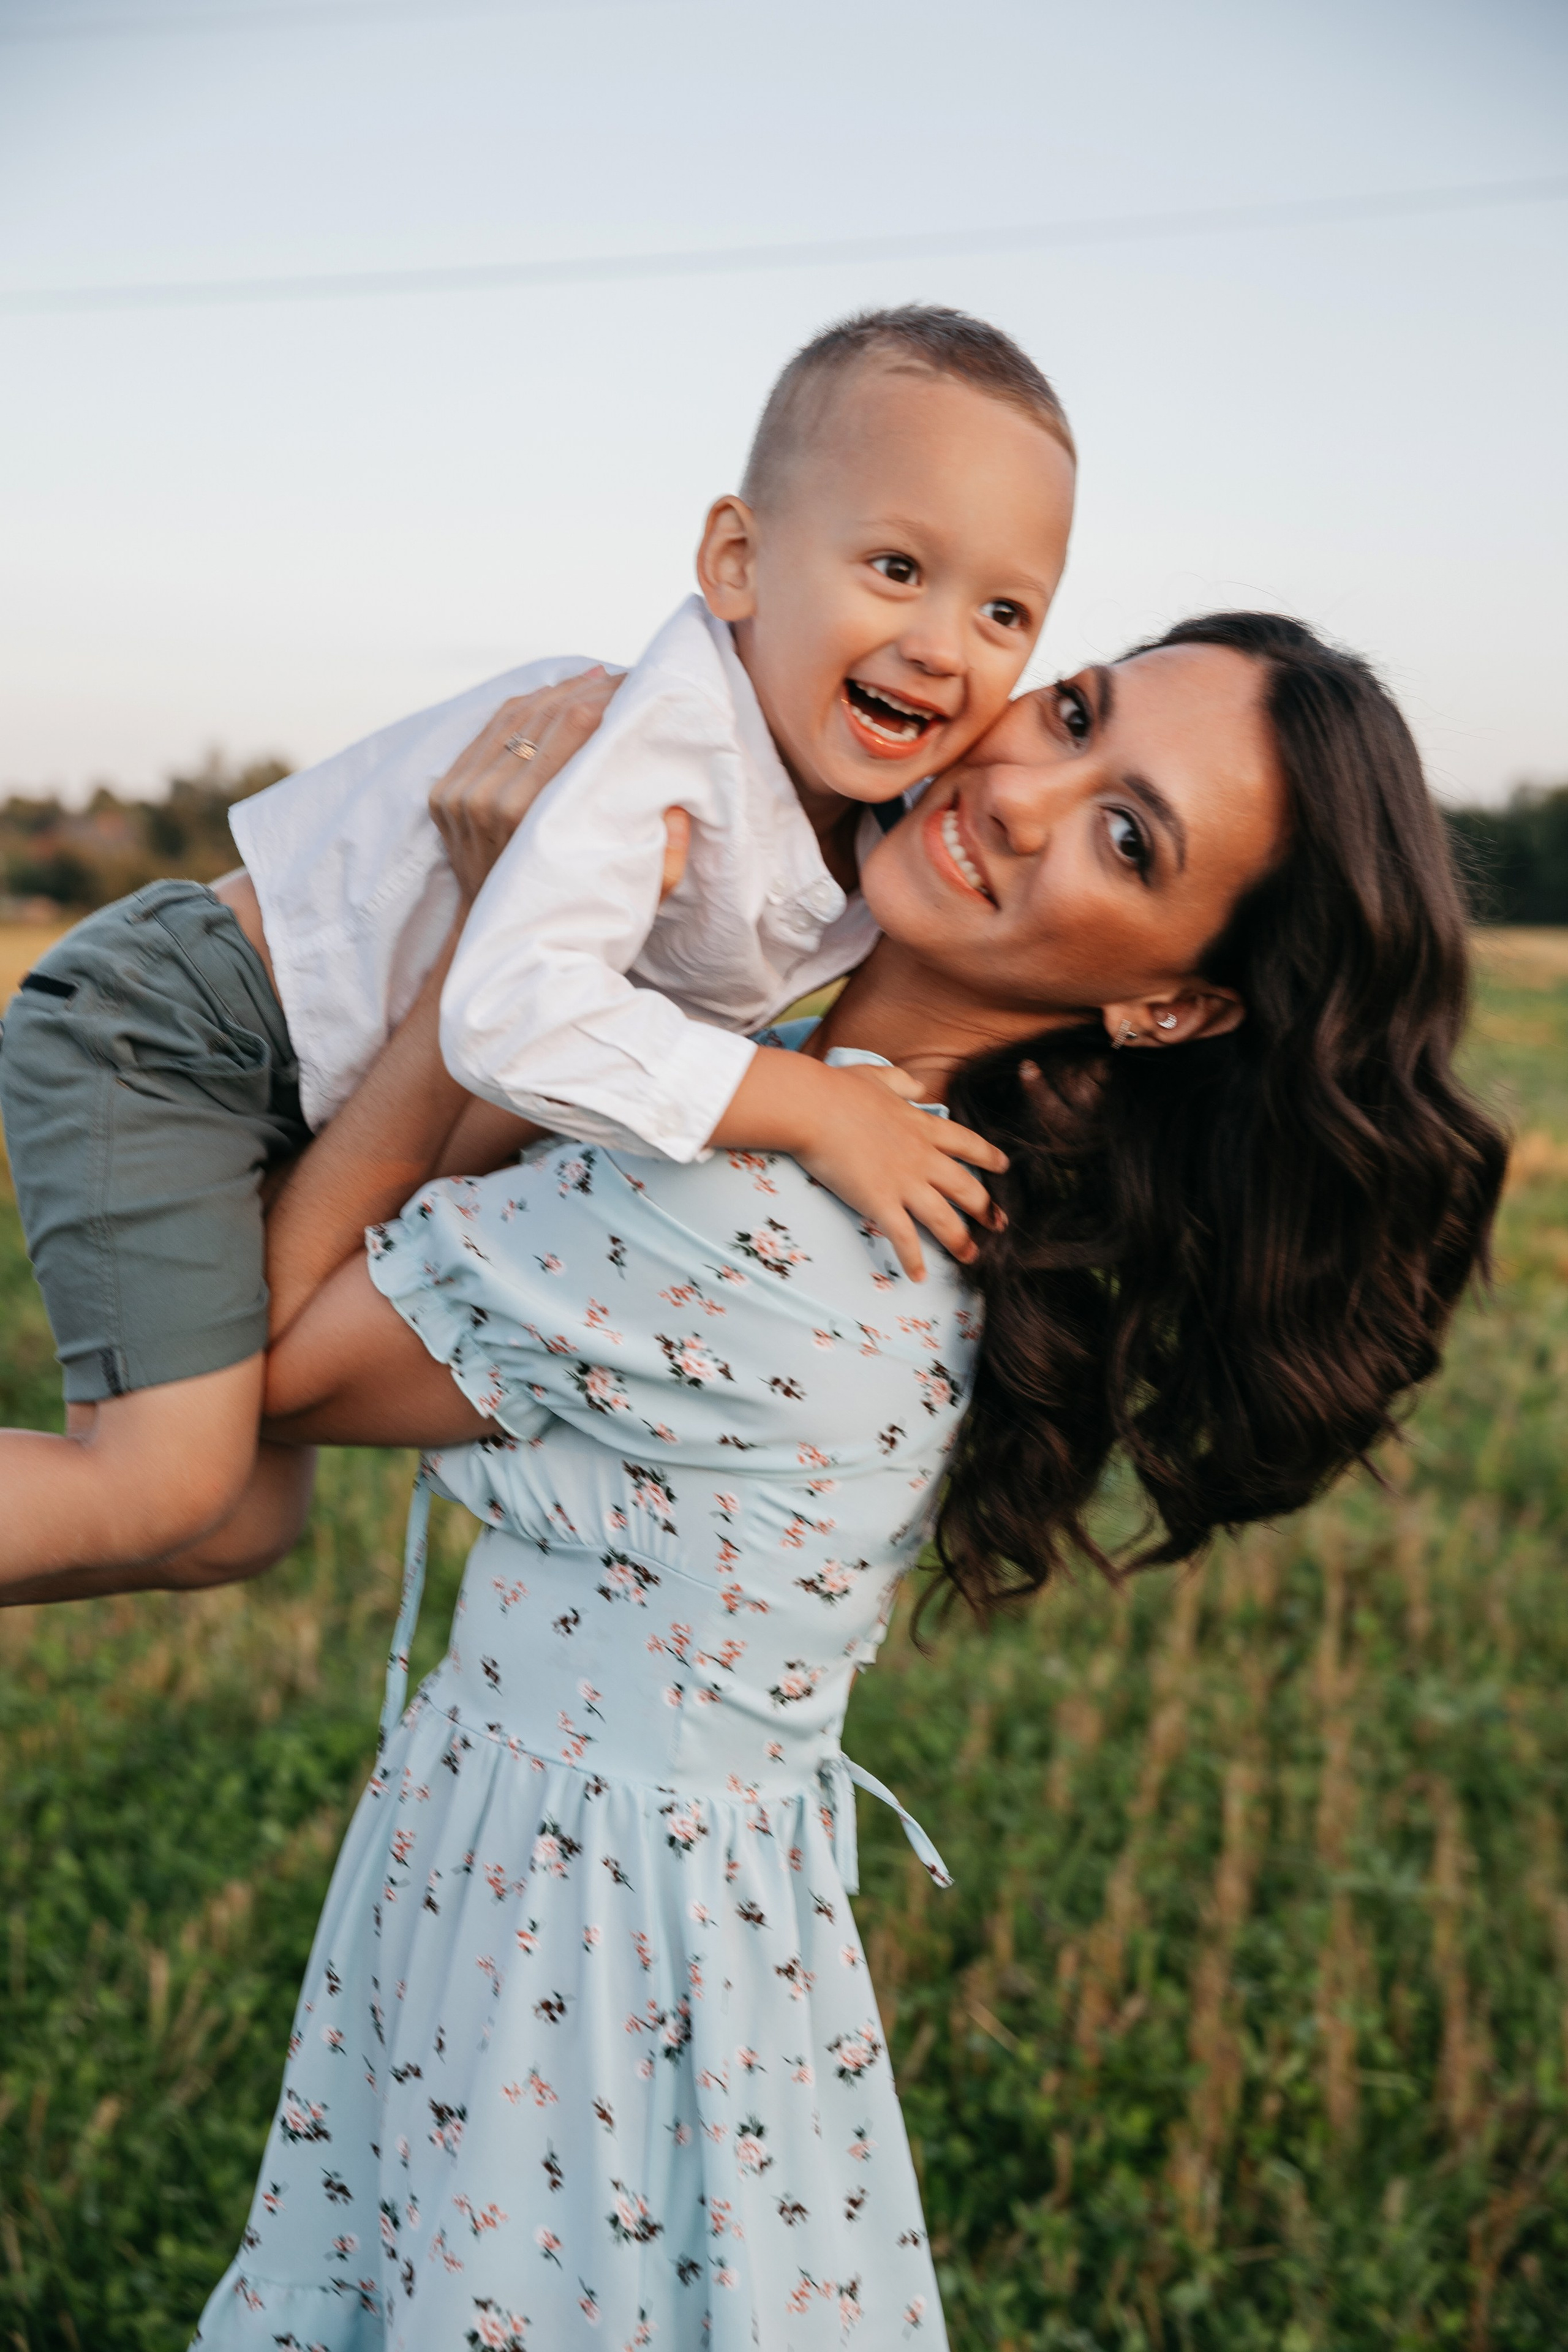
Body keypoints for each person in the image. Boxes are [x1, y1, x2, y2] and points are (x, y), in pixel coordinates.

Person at [182, 613, 1504, 2346]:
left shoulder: (757, 1212)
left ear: (1169, 1000)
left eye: (1130, 835)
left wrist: (488, 959)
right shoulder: (850, 1134)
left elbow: (261, 1360)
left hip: (577, 1967)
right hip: (645, 1925)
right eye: (1077, 714)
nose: (1027, 791)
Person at [0, 304, 1075, 1588]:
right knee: (158, 1480)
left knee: (229, 1522)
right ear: (736, 560)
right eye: (895, 568)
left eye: (1002, 612)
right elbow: (506, 1015)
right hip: (186, 1030)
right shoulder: (660, 753)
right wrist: (806, 1104)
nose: (942, 645)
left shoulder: (883, 817)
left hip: (307, 1083)